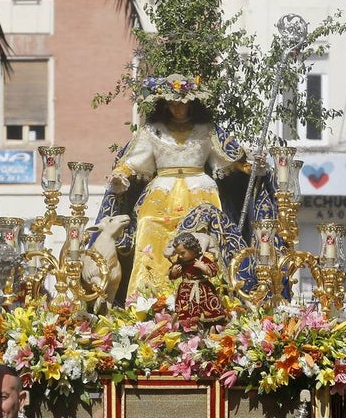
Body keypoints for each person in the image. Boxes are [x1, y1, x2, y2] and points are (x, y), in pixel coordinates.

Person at [104, 74, 247, 298]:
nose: (178, 108)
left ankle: (207, 293)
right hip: (162, 190)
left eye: (182, 103)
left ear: (192, 103)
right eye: (172, 103)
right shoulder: (152, 131)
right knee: (147, 222)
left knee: (203, 234)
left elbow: (228, 160)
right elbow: (133, 162)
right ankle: (149, 296)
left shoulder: (207, 130)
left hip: (200, 191)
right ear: (165, 105)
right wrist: (120, 174)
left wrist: (250, 167)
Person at [167, 232, 224, 327]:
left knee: (207, 306)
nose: (180, 256)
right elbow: (172, 275)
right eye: (178, 253)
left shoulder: (201, 259)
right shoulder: (181, 262)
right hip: (185, 292)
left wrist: (204, 268)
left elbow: (213, 270)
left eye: (182, 253)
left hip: (203, 289)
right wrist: (174, 272)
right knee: (186, 309)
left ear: (192, 249)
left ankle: (210, 325)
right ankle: (188, 326)